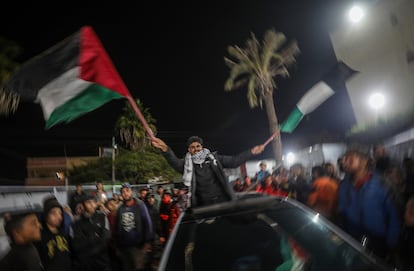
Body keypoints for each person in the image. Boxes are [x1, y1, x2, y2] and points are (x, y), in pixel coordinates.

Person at [151, 135, 265, 207]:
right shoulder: (187, 165)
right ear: (189, 150)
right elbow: (174, 162)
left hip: (223, 201)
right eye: (192, 147)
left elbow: (234, 161)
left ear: (202, 147)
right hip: (203, 206)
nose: (196, 149)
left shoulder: (214, 158)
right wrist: (165, 149)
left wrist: (251, 152)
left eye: (198, 146)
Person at [337, 143, 401, 261]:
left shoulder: (382, 184)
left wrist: (391, 244)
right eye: (344, 159)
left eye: (350, 159)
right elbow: (342, 212)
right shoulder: (343, 185)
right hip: (353, 240)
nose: (344, 162)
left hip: (379, 243)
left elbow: (394, 217)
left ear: (364, 160)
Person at [116, 182, 153, 271]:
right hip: (125, 247)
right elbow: (118, 227)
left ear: (131, 192)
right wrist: (118, 245)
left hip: (138, 246)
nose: (125, 193)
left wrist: (147, 242)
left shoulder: (140, 205)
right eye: (123, 191)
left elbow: (147, 223)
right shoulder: (121, 208)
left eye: (127, 191)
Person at [70, 195, 111, 271]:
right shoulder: (76, 223)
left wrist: (88, 239)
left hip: (102, 262)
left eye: (94, 202)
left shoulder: (102, 217)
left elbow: (106, 237)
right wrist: (94, 238)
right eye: (88, 202)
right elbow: (76, 245)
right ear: (82, 205)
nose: (92, 205)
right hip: (85, 264)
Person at [34, 196, 72, 271]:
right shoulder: (40, 236)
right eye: (54, 213)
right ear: (46, 215)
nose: (59, 217)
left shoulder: (63, 232)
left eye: (60, 214)